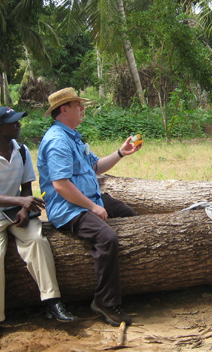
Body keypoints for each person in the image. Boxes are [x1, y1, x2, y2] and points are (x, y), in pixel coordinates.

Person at [0, 107, 77, 343]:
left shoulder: (23, 150)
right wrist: (22, 201)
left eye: (18, 121)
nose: (18, 125)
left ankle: (52, 301)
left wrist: (24, 210)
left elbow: (27, 185)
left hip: (16, 212)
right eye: (13, 122)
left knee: (37, 241)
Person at [37, 87, 141, 327]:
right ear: (64, 109)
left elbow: (95, 167)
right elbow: (61, 186)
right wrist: (93, 208)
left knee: (128, 215)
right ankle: (105, 302)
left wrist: (120, 153)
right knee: (107, 238)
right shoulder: (56, 141)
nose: (82, 109)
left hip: (88, 198)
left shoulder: (73, 136)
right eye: (78, 105)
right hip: (69, 207)